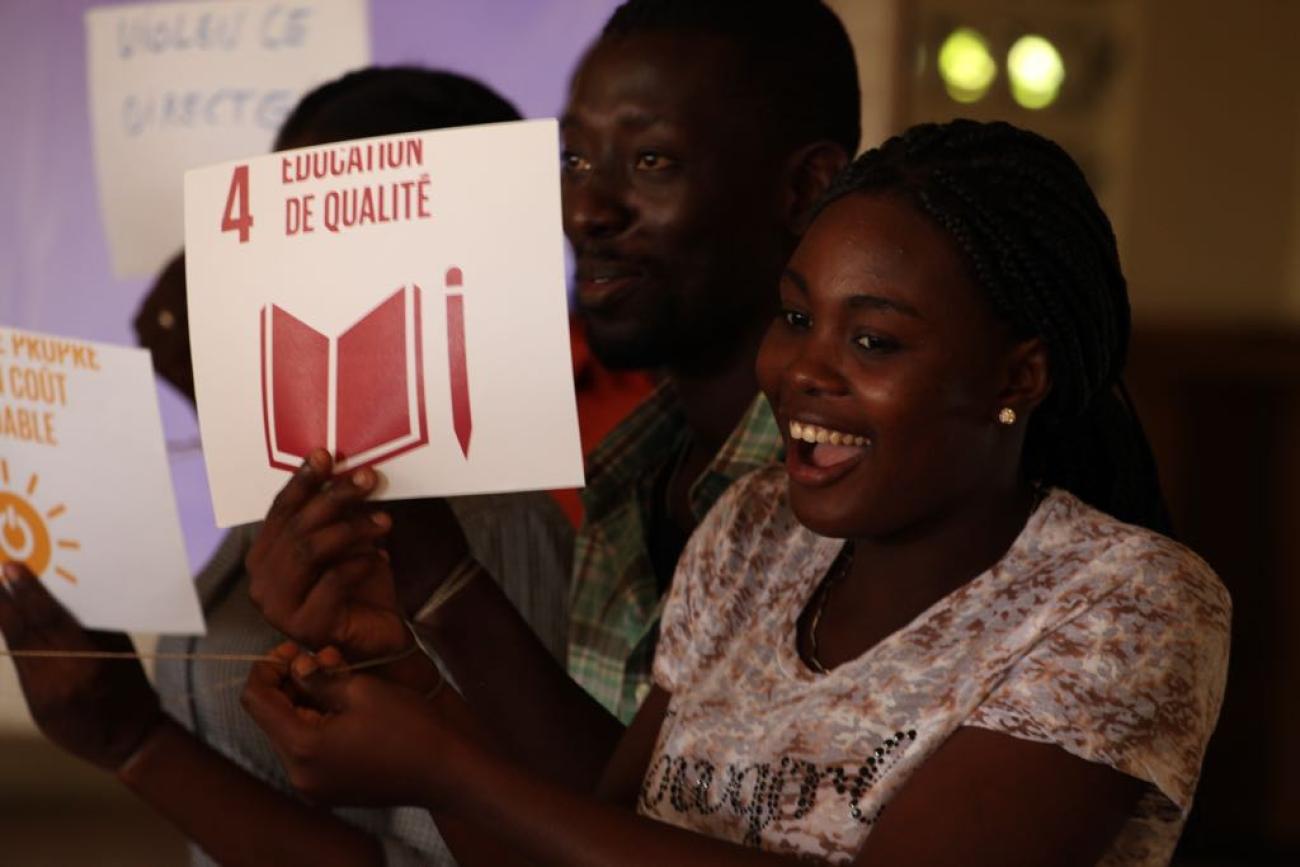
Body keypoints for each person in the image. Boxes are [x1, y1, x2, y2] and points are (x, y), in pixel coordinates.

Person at [240, 119, 1231, 866]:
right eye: (795, 315)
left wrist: (444, 767)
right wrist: (409, 690)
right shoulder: (753, 529)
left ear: (1018, 377)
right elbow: (602, 840)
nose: (803, 367)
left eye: (873, 340)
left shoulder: (1122, 604)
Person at [242, 0, 862, 799]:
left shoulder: (851, 496)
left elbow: (664, 834)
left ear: (807, 186)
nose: (585, 212)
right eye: (574, 161)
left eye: (651, 162)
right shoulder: (629, 473)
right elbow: (596, 812)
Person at [0, 67, 573, 867]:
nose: (281, 258)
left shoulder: (493, 524)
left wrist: (135, 743)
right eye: (283, 220)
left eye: (328, 232)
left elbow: (473, 849)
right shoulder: (295, 485)